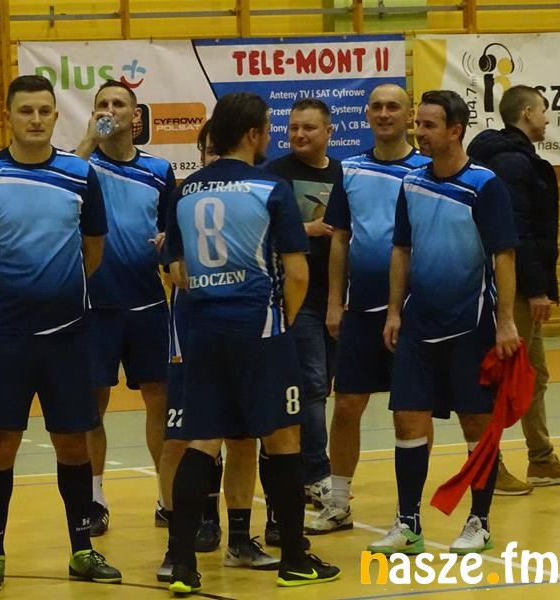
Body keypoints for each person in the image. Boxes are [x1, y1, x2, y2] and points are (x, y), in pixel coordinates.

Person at [165, 92, 341, 593]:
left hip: (203, 331)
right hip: (259, 331)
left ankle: (183, 565)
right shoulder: (270, 187)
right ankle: (294, 560)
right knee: (283, 439)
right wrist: (281, 320)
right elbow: (297, 272)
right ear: (252, 134)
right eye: (266, 128)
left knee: (202, 440)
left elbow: (176, 270)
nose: (269, 136)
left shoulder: (185, 190)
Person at [0, 75, 120, 593]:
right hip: (7, 337)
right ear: (8, 115)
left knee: (72, 445)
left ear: (55, 115)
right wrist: (5, 295)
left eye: (44, 110)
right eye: (25, 110)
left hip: (69, 336)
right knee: (0, 446)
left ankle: (82, 549)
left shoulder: (80, 175)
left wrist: (60, 290)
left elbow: (93, 250)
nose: (35, 119)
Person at [369, 90, 519, 556]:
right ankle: (408, 522)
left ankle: (480, 521)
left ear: (455, 130)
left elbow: (504, 256)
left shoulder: (484, 185)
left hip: (471, 326)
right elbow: (401, 249)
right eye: (419, 124)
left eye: (429, 125)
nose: (420, 133)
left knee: (476, 424)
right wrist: (394, 311)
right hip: (418, 325)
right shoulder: (411, 183)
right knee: (407, 419)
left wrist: (505, 322)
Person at [156, 121, 278, 584]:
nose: (213, 159)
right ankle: (178, 544)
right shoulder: (186, 199)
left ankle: (240, 539)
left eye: (217, 150)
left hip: (244, 332)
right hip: (194, 333)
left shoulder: (254, 198)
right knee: (181, 440)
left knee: (244, 439)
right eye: (206, 151)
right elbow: (177, 271)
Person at [307, 84, 431, 534]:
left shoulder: (425, 171)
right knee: (346, 406)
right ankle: (338, 503)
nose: (384, 113)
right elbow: (340, 238)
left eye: (393, 106)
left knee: (411, 412)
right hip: (360, 310)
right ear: (366, 114)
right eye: (376, 106)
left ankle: (408, 511)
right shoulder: (351, 169)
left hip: (414, 310)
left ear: (408, 115)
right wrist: (334, 303)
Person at [75, 80, 176, 535]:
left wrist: (168, 245)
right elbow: (61, 188)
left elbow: (172, 232)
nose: (110, 110)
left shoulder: (158, 170)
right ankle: (94, 499)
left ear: (136, 116)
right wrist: (88, 139)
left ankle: (167, 497)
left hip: (147, 302)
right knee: (92, 403)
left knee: (160, 397)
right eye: (102, 104)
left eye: (119, 104)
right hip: (93, 304)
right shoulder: (80, 164)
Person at [467, 85, 560, 494]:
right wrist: (537, 289)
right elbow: (517, 233)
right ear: (527, 113)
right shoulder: (512, 163)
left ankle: (541, 458)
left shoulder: (519, 158)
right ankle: (489, 467)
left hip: (528, 287)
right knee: (502, 377)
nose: (547, 118)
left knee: (536, 375)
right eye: (543, 111)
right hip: (517, 291)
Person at [261, 99, 340, 543]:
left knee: (325, 384)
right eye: (293, 128)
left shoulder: (342, 174)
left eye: (308, 128)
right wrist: (302, 230)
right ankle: (316, 472)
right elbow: (260, 231)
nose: (299, 135)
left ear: (329, 132)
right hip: (297, 295)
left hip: (336, 294)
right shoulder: (274, 174)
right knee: (311, 384)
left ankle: (315, 469)